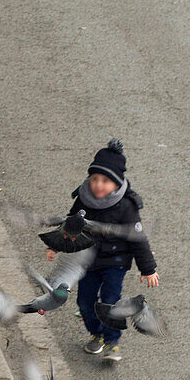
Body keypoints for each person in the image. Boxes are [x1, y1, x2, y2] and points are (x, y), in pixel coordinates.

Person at [45, 139, 158, 362]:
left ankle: (112, 341)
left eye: (105, 181)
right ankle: (96, 333)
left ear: (117, 183)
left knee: (109, 302)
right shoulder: (83, 199)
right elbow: (70, 225)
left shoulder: (127, 206)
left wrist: (148, 269)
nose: (98, 185)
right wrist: (56, 245)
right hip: (86, 260)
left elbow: (138, 239)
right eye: (95, 179)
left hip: (115, 262)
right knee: (85, 303)